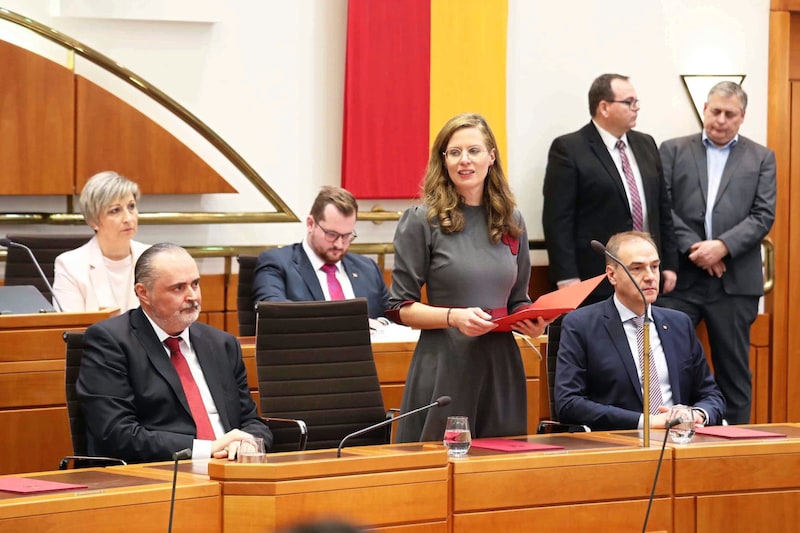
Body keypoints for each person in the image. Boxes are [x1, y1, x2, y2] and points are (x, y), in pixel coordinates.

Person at [388, 112, 551, 443]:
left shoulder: (511, 219)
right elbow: (399, 307)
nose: (465, 160)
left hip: (501, 365)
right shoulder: (421, 220)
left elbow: (518, 298)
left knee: (498, 475)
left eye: (474, 150)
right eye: (454, 152)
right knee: (440, 470)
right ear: (443, 161)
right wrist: (454, 317)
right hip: (446, 363)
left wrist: (534, 321)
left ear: (491, 156)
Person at [77, 243, 272, 463]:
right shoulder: (110, 342)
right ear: (144, 293)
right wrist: (206, 448)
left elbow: (251, 421)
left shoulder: (222, 344)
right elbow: (116, 433)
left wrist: (247, 442)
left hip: (231, 467)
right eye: (178, 288)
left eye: (195, 284)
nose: (192, 296)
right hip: (161, 475)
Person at [658, 82, 776, 425]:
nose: (720, 120)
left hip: (735, 282)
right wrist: (697, 248)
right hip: (681, 278)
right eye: (715, 111)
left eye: (730, 114)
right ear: (705, 109)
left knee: (734, 374)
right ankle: (672, 439)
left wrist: (721, 247)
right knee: (669, 367)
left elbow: (763, 215)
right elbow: (663, 207)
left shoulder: (761, 157)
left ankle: (733, 448)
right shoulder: (673, 150)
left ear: (742, 118)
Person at [555, 231, 725, 431]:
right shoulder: (581, 325)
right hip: (617, 444)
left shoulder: (679, 323)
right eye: (637, 268)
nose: (650, 277)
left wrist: (697, 415)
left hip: (680, 441)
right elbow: (568, 403)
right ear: (612, 275)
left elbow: (711, 395)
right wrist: (647, 422)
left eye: (654, 266)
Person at [542, 73, 678, 302]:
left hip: (647, 276)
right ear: (604, 107)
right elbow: (558, 220)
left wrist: (670, 264)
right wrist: (566, 276)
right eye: (629, 102)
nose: (636, 108)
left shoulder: (646, 144)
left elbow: (662, 208)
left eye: (636, 102)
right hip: (595, 277)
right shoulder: (569, 148)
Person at [252, 186, 391, 328]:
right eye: (331, 234)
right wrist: (351, 324)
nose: (339, 244)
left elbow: (395, 316)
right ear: (311, 224)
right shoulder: (277, 263)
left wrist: (381, 324)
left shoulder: (368, 268)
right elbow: (273, 313)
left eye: (347, 236)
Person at [53, 171, 150, 312]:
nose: (128, 218)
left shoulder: (154, 259)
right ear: (93, 221)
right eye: (115, 210)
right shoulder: (70, 265)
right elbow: (72, 329)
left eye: (131, 206)